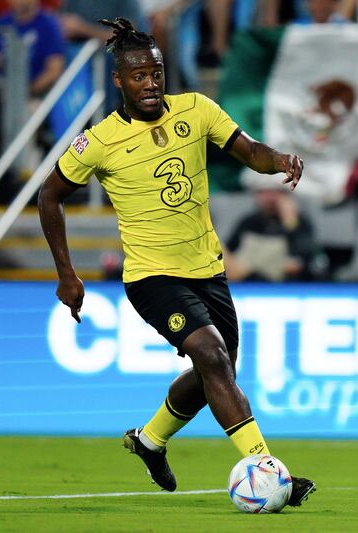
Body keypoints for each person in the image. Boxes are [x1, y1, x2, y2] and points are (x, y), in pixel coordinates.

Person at [38, 18, 315, 505]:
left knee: (217, 371)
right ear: (119, 81)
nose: (150, 84)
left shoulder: (196, 110)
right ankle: (270, 474)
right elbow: (49, 196)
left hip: (208, 269)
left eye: (156, 73)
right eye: (138, 76)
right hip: (151, 276)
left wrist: (280, 161)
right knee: (211, 355)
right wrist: (67, 272)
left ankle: (149, 440)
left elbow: (249, 151)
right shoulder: (98, 141)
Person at [224, 185, 317, 282]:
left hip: (276, 283)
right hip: (242, 280)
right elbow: (229, 250)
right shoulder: (249, 222)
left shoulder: (299, 223)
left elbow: (299, 262)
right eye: (263, 192)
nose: (269, 198)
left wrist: (290, 223)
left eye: (276, 192)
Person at [0, 0, 66, 97]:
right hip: (3, 91)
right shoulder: (1, 22)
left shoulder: (49, 25)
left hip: (38, 94)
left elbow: (54, 70)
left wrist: (27, 92)